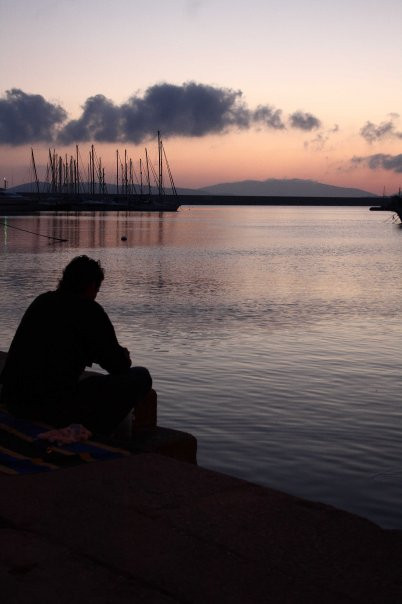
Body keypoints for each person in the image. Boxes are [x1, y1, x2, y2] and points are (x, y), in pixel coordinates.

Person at [0, 255, 152, 437]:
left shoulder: (42, 301)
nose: (96, 295)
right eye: (97, 289)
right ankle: (98, 432)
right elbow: (117, 366)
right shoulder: (89, 311)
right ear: (90, 286)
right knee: (141, 376)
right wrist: (123, 355)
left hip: (14, 401)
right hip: (50, 407)